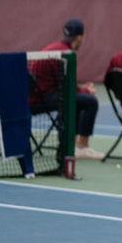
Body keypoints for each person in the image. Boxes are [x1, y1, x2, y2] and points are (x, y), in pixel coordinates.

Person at [30, 18, 104, 159]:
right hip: (41, 100)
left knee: (75, 100)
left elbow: (62, 84)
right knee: (90, 101)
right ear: (80, 37)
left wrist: (81, 88)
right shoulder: (67, 54)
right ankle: (82, 147)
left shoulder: (55, 47)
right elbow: (66, 88)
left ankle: (68, 144)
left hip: (38, 96)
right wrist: (86, 91)